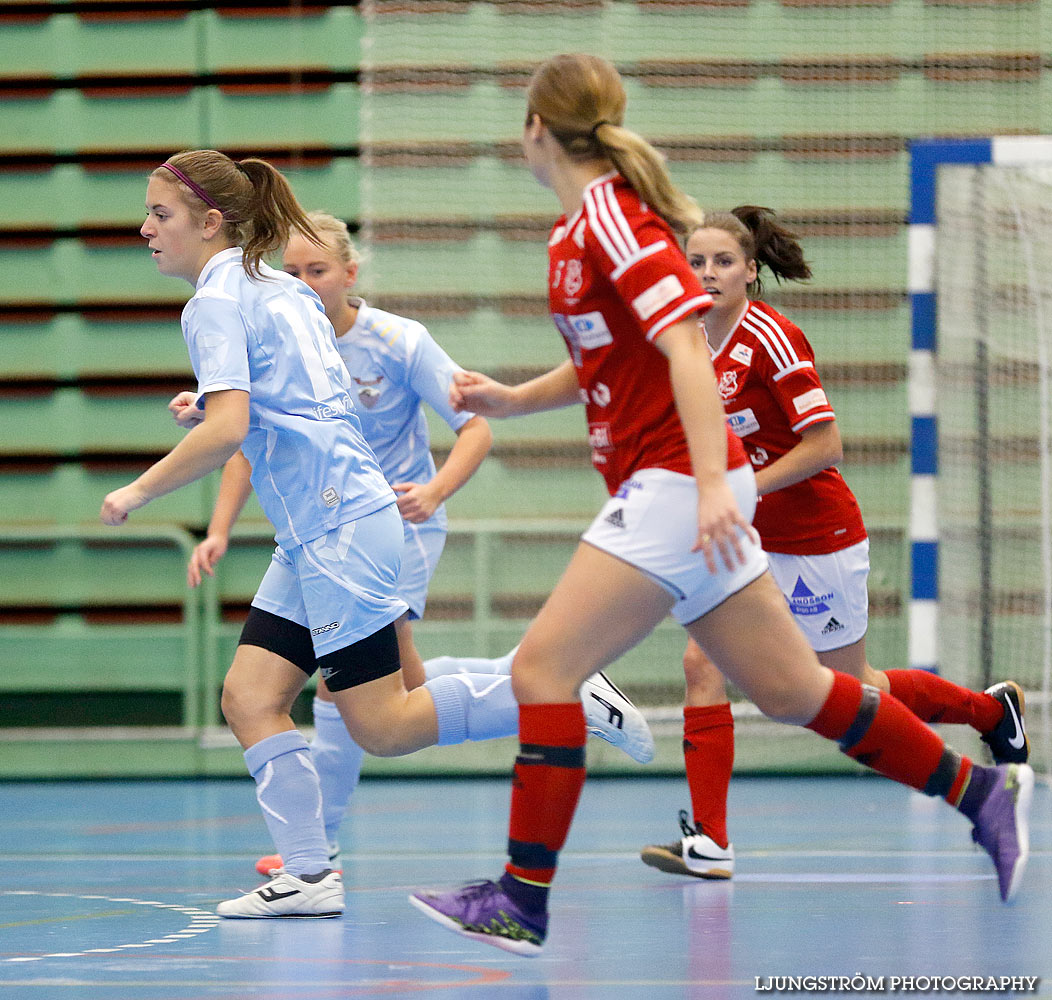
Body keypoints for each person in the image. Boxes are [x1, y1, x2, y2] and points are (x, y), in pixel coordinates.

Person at [406, 53, 1034, 957]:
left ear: (537, 129)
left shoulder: (616, 224)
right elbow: (607, 368)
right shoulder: (573, 233)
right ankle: (982, 798)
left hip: (670, 489)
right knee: (797, 692)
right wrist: (509, 400)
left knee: (543, 673)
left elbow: (686, 354)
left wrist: (709, 485)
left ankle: (522, 895)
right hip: (675, 488)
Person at [104, 149, 532, 919]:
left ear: (209, 223)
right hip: (322, 530)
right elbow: (285, 398)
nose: (145, 229)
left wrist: (139, 488)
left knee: (384, 724)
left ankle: (546, 690)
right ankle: (308, 874)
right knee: (248, 697)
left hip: (338, 527)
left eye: (159, 215)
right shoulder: (277, 286)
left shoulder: (214, 303)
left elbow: (235, 423)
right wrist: (211, 405)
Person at [171, 212, 654, 878]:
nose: (306, 283)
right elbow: (248, 440)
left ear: (350, 271)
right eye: (293, 272)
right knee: (392, 691)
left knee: (356, 699)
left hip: (393, 527)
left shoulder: (399, 342)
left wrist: (436, 492)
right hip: (320, 532)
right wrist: (220, 526)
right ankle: (548, 682)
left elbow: (476, 426)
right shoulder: (287, 335)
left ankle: (318, 851)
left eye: (319, 270)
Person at [639, 206, 1031, 880]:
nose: (707, 274)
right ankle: (711, 840)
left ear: (749, 271)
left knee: (849, 691)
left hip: (818, 537)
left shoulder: (772, 337)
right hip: (746, 541)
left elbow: (826, 446)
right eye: (695, 262)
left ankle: (990, 711)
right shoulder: (682, 341)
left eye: (722, 262)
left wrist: (748, 486)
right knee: (702, 665)